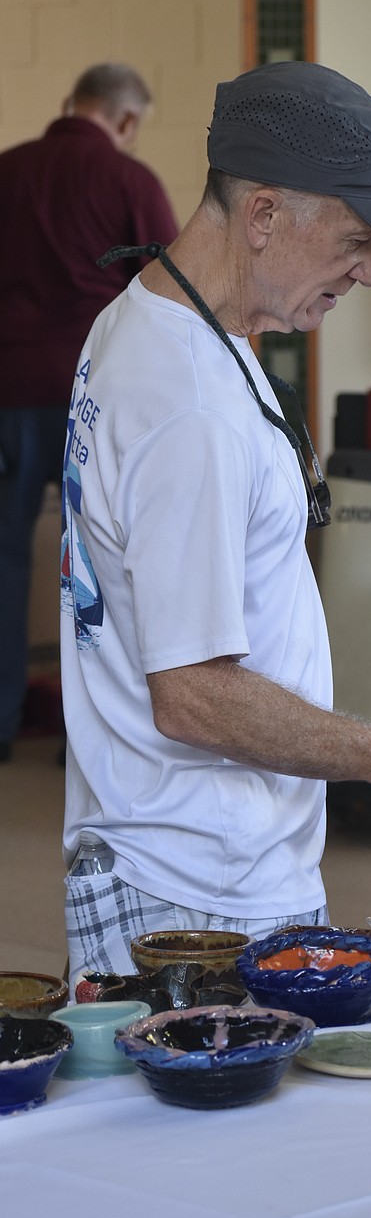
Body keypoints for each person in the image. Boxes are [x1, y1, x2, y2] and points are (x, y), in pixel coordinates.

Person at [60, 61, 371, 986]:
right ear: (264, 215)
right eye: (356, 239)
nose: (369, 271)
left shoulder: (156, 321)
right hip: (192, 895)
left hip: (187, 859)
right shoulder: (187, 402)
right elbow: (192, 692)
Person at [0, 62, 179, 762]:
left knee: (5, 561)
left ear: (70, 103)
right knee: (96, 566)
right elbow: (171, 288)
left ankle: (2, 724)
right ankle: (89, 729)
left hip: (8, 397)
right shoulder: (130, 183)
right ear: (127, 121)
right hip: (96, 403)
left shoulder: (8, 173)